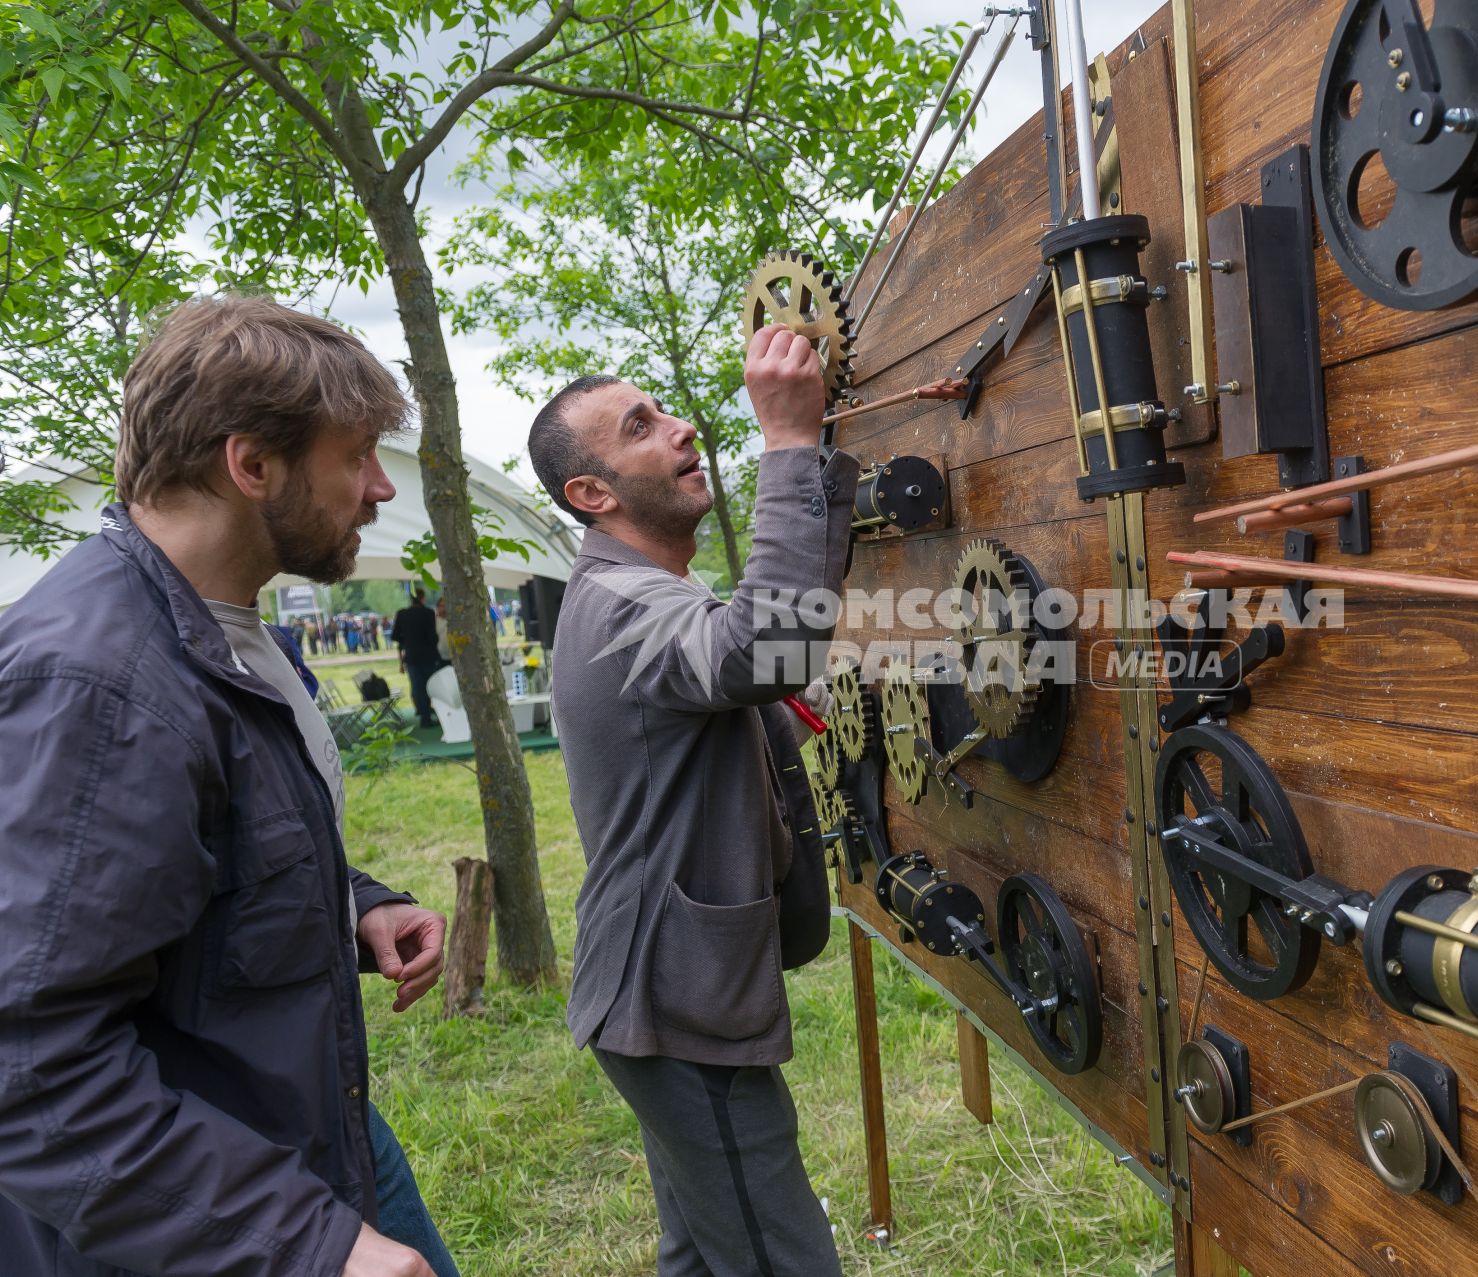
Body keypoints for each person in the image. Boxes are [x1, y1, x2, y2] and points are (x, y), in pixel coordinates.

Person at [0, 295, 457, 1277]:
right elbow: (30, 1066)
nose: (380, 487)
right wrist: (309, 1243)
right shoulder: (99, 681)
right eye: (357, 454)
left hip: (299, 1124)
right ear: (251, 464)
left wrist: (355, 903)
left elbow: (202, 841)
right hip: (201, 1206)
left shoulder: (219, 626)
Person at [532, 322, 849, 1277]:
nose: (680, 429)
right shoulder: (621, 605)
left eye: (665, 408)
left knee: (706, 1258)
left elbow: (734, 698)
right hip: (674, 1013)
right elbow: (763, 652)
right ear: (591, 492)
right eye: (641, 425)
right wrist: (791, 444)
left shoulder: (639, 590)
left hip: (666, 1000)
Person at [393, 588, 440, 727]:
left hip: (412, 656)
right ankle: (430, 714)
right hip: (428, 656)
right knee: (431, 686)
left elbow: (395, 636)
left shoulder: (402, 614)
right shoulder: (428, 613)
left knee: (418, 687)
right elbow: (433, 637)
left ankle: (424, 715)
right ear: (422, 598)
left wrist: (407, 641)